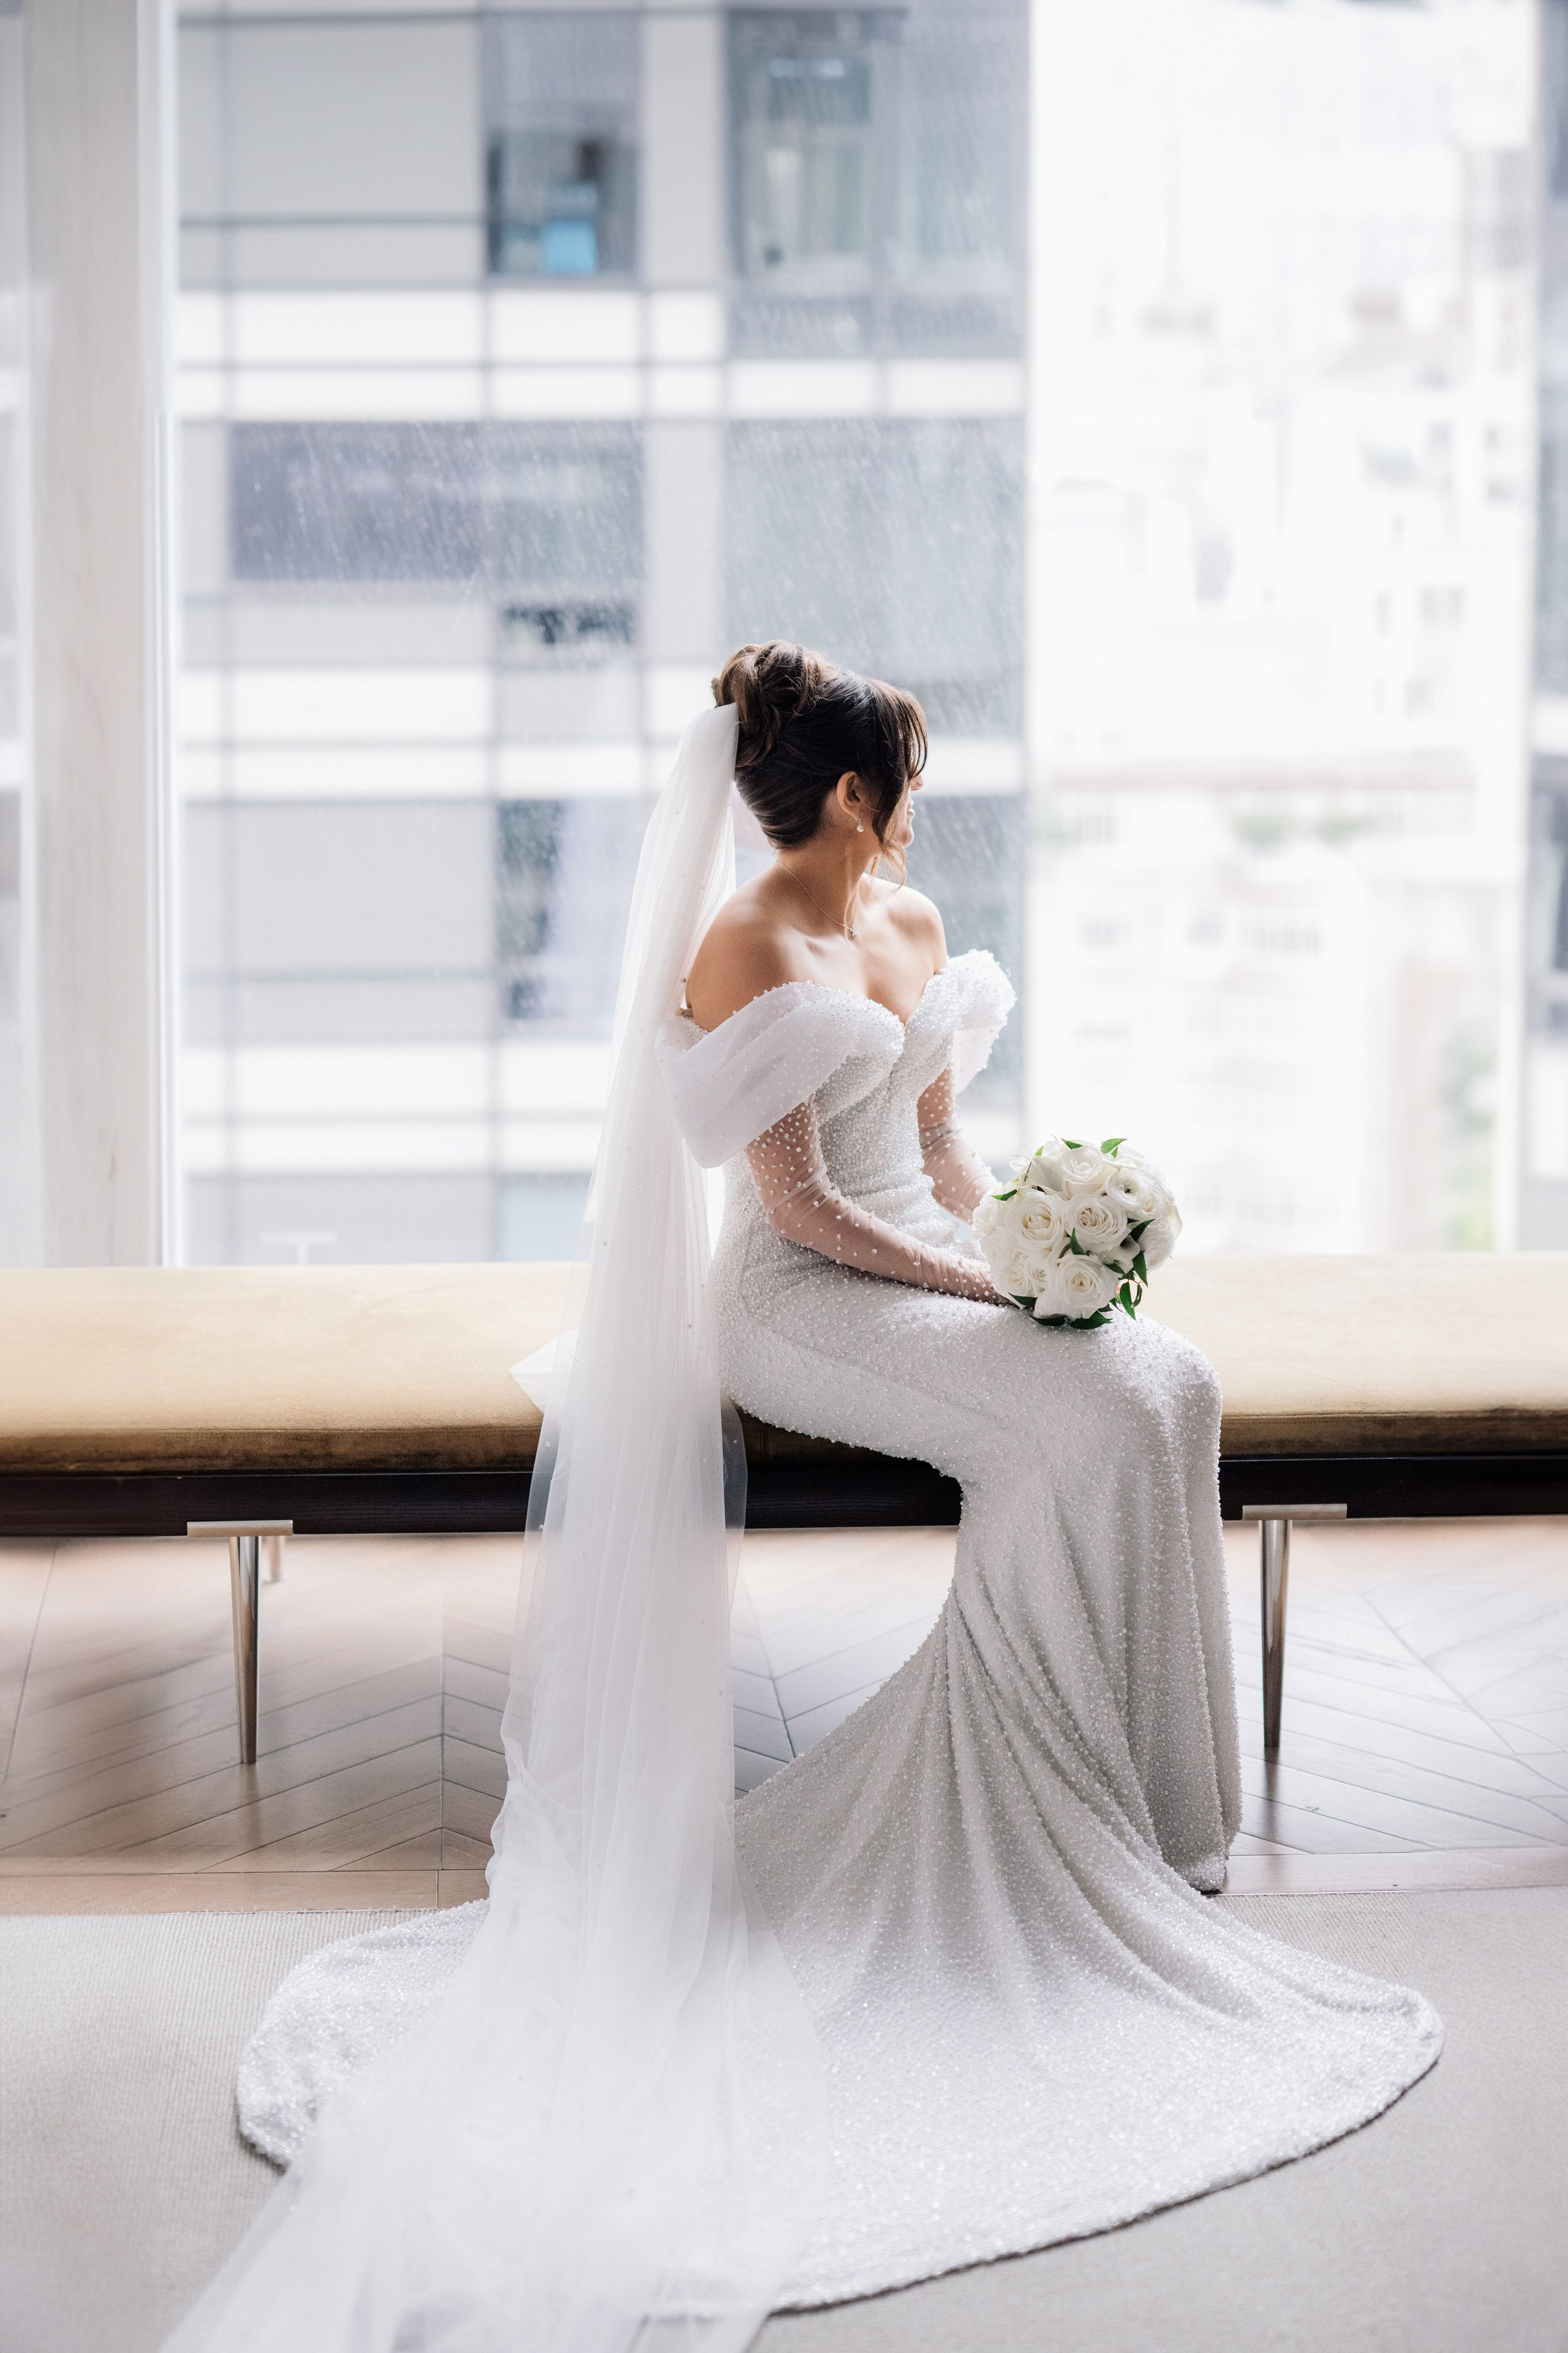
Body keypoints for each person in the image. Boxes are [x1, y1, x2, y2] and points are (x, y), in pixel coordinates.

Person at [164, 647, 1439, 2353]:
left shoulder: (909, 929)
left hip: (934, 1267)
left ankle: (1159, 1801)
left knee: (1169, 1379)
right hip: (803, 1302)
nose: (916, 810)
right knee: (1073, 1424)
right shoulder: (751, 940)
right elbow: (813, 1206)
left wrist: (1044, 1246)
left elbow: (940, 1151)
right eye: (902, 780)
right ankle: (1039, 1792)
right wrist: (991, 1300)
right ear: (849, 794)